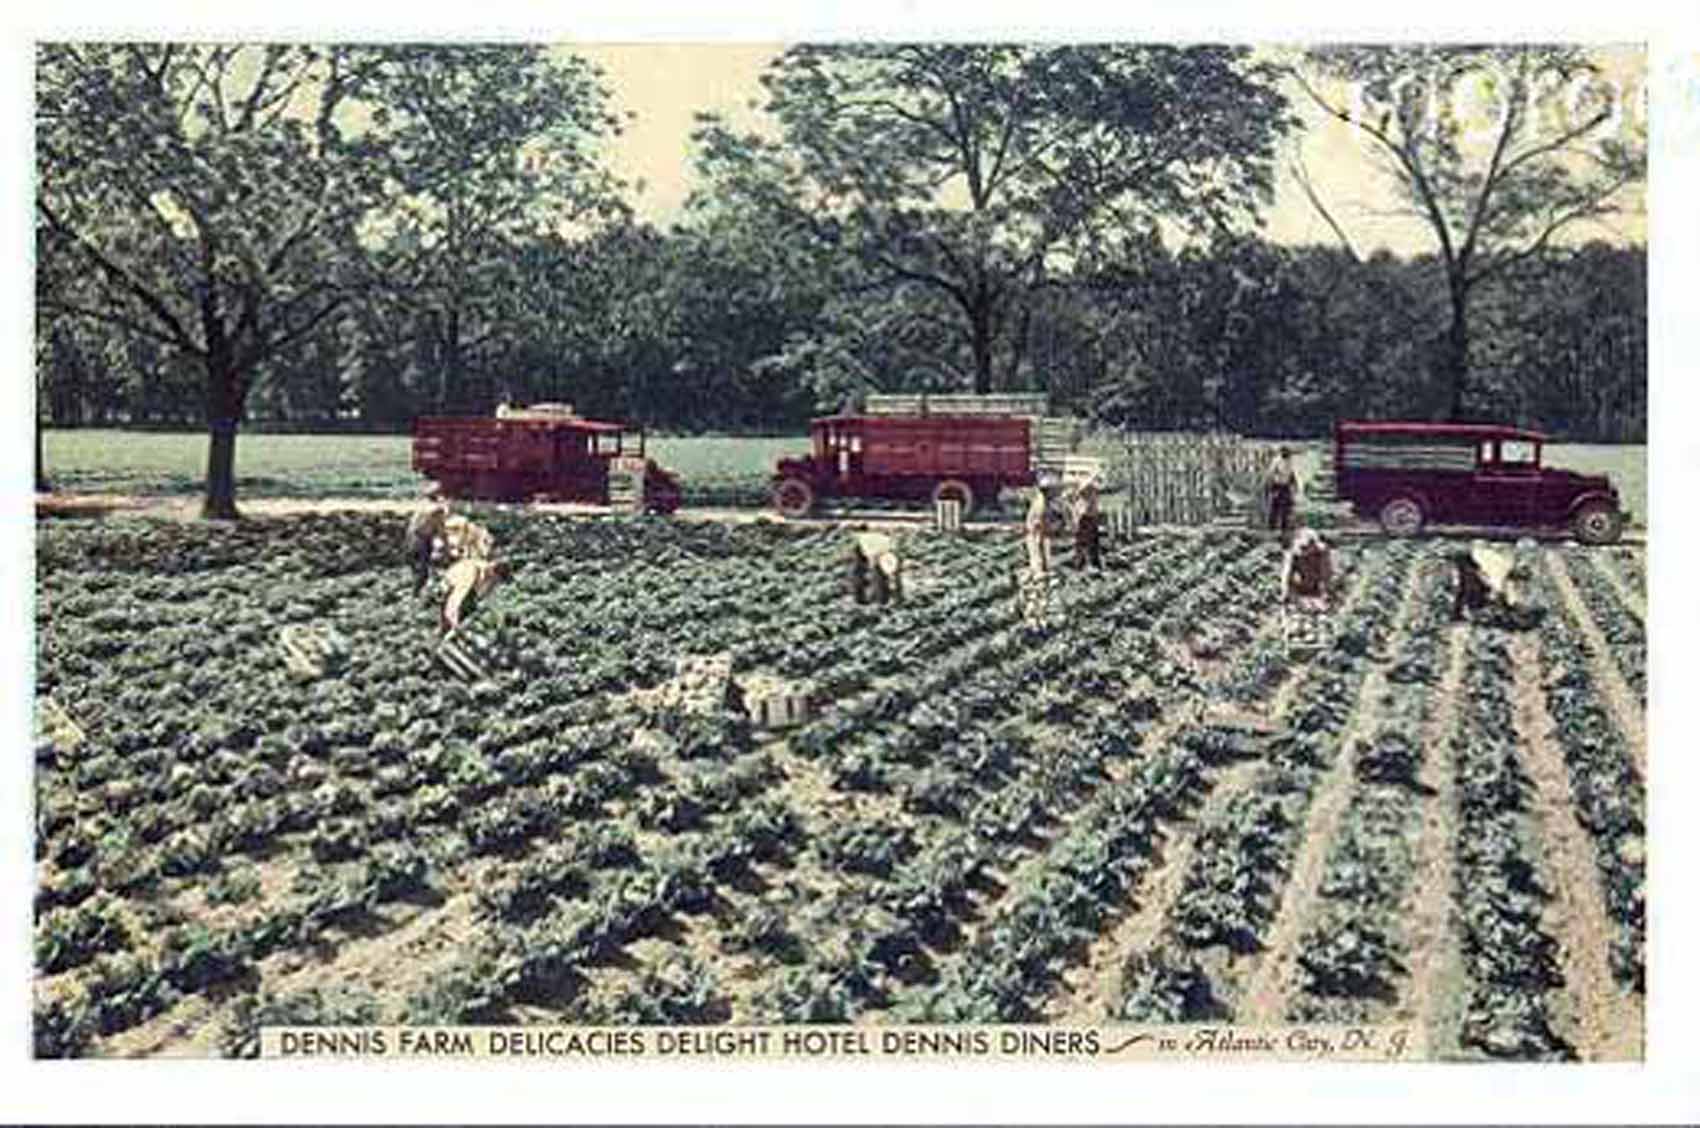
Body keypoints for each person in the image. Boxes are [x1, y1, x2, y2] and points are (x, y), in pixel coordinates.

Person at [440, 556, 513, 636]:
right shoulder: (472, 571)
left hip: (462, 597)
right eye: (496, 580)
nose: (495, 583)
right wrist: (453, 621)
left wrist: (501, 622)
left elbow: (493, 601)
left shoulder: (489, 579)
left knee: (473, 606)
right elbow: (456, 597)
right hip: (446, 593)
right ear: (493, 572)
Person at [404, 499, 450, 597]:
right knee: (423, 570)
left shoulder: (423, 511)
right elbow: (441, 533)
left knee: (418, 569)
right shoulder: (435, 513)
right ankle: (416, 594)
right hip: (420, 541)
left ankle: (417, 591)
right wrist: (447, 551)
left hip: (414, 540)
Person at [1280, 527, 1334, 611]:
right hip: (1300, 584)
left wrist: (1325, 592)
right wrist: (1285, 593)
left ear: (1313, 545)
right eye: (1301, 548)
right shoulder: (1293, 553)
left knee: (1322, 606)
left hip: (1315, 583)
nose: (1302, 552)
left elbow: (1325, 574)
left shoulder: (1322, 552)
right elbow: (1286, 574)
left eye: (1305, 548)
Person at [1264, 446, 1301, 540]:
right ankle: (1271, 527)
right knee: (1275, 507)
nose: (1288, 456)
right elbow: (1270, 474)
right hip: (1277, 486)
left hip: (1286, 486)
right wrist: (1270, 487)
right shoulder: (1276, 461)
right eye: (1286, 454)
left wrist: (1295, 485)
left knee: (1287, 507)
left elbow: (1292, 474)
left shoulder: (1290, 461)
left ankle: (1284, 527)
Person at [1070, 474, 1104, 570]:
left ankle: (1093, 563)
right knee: (1083, 542)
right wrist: (1091, 479)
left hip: (1092, 517)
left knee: (1093, 542)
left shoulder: (1094, 492)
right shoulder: (1085, 489)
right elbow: (1082, 489)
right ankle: (1080, 564)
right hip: (1084, 517)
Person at [1025, 482, 1054, 577]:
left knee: (1040, 547)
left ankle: (1042, 568)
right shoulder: (1041, 502)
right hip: (1035, 530)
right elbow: (1037, 520)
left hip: (1037, 529)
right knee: (1036, 548)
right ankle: (1038, 570)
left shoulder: (1041, 500)